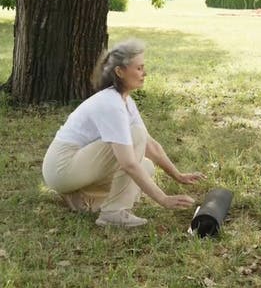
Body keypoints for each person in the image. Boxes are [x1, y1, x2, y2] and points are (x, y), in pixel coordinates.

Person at [42, 38, 206, 228]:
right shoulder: (111, 104)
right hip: (62, 166)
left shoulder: (125, 101)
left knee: (146, 167)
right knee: (134, 138)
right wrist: (163, 199)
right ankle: (114, 213)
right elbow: (128, 163)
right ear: (119, 72)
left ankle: (83, 197)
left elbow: (150, 145)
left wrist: (178, 175)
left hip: (73, 167)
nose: (145, 73)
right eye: (139, 68)